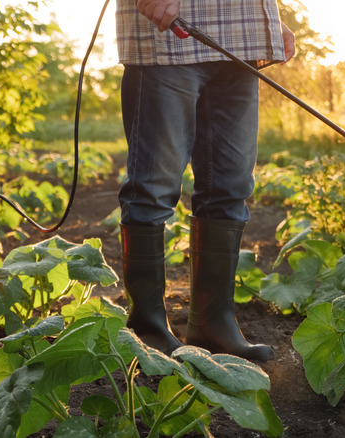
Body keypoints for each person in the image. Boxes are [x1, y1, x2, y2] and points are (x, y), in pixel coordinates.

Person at [115, 0, 296, 361]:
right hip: (169, 36)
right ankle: (147, 333)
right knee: (153, 190)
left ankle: (213, 325)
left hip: (241, 37)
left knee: (229, 189)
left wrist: (269, 18)